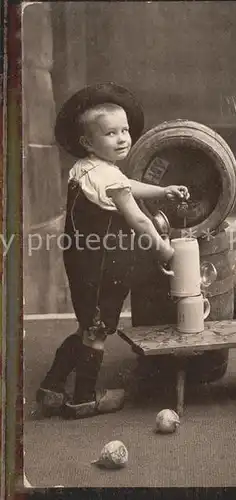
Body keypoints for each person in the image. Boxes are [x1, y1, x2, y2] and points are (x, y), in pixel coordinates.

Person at [36, 83, 190, 419]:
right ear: (88, 142)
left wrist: (162, 190)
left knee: (85, 325)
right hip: (104, 268)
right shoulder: (108, 178)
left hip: (81, 264)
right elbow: (139, 220)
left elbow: (125, 185)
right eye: (110, 133)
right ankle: (84, 398)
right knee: (97, 331)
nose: (122, 138)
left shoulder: (86, 169)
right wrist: (165, 251)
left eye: (124, 131)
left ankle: (51, 386)